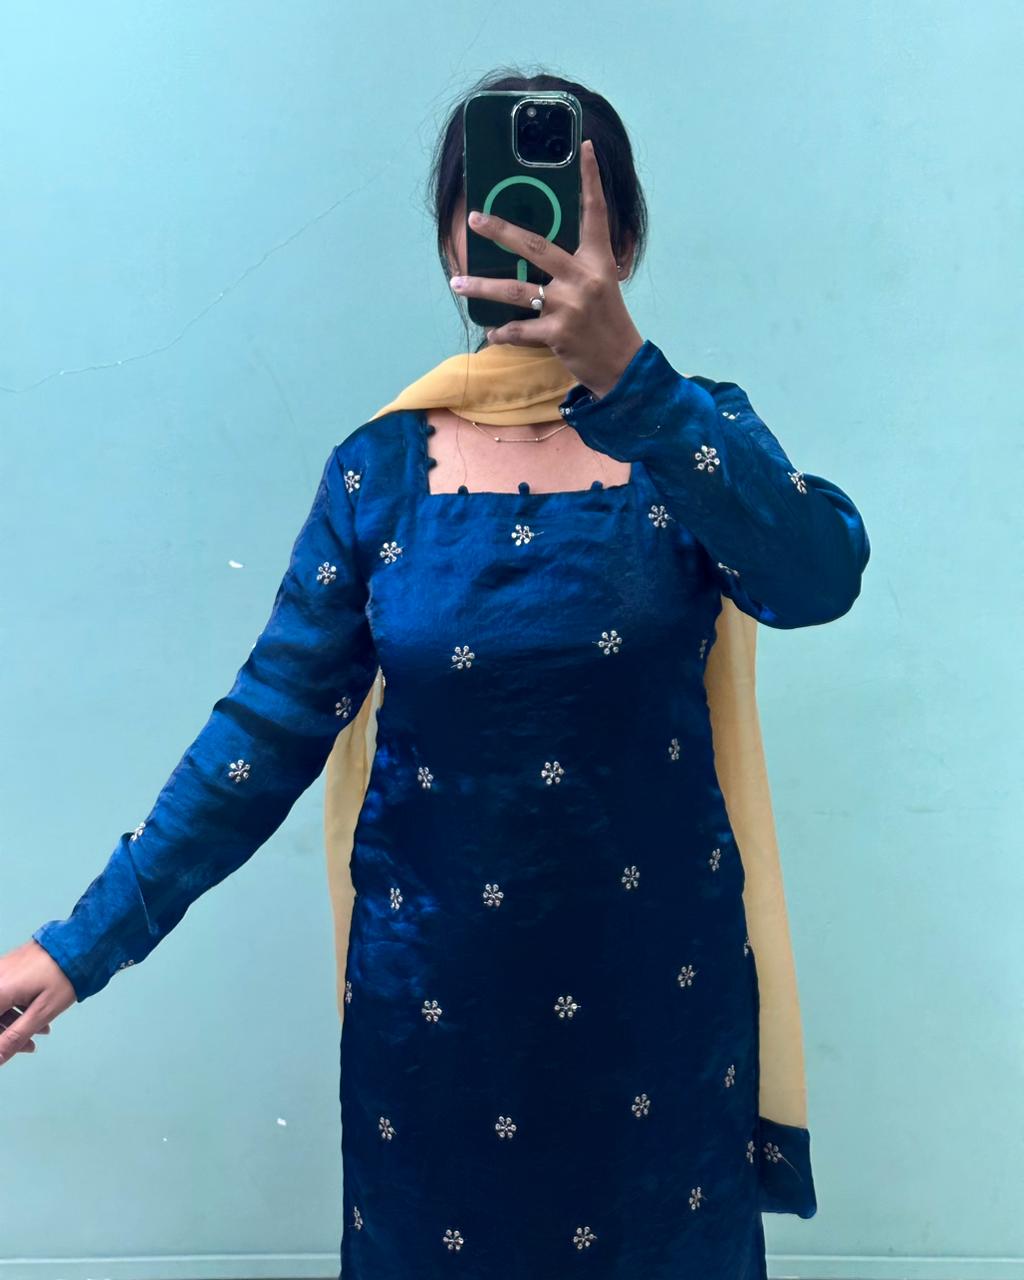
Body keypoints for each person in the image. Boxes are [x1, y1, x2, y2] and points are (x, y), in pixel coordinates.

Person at [1, 70, 870, 1279]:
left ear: (623, 238)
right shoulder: (381, 473)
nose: (529, 233)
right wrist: (77, 946)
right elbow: (263, 733)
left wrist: (637, 384)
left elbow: (815, 575)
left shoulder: (692, 437)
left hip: (656, 1015)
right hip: (437, 1029)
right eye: (498, 205)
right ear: (453, 242)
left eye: (565, 206)